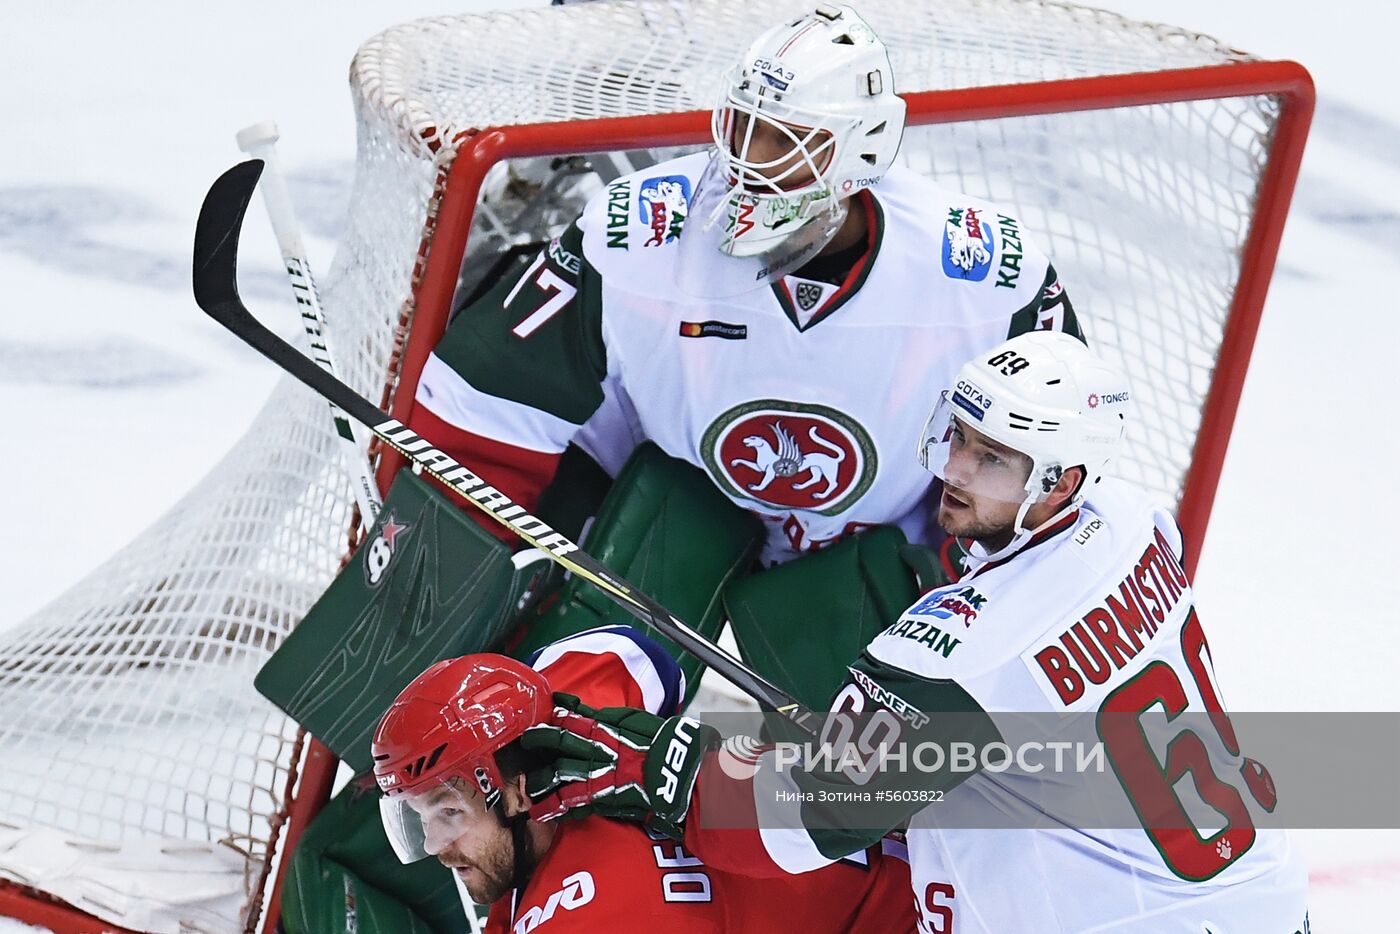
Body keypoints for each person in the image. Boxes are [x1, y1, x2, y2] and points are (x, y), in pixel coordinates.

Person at [522, 331, 1310, 932]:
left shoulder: (961, 649)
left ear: (1061, 481)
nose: (955, 471)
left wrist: (655, 765)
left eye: (994, 460)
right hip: (1261, 896)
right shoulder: (1138, 523)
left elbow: (795, 824)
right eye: (959, 437)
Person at [409, 3, 1080, 568]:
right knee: (561, 682)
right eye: (744, 127)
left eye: (788, 139)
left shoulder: (987, 276)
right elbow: (486, 413)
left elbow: (1042, 487)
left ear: (865, 148)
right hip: (655, 524)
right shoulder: (638, 232)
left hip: (866, 562)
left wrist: (954, 602)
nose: (750, 162)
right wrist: (453, 573)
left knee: (895, 719)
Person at [371, 624, 916, 932]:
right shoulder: (574, 736)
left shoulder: (585, 917)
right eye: (420, 817)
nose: (437, 847)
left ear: (513, 791)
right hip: (914, 827)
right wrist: (552, 708)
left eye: (449, 811)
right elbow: (642, 656)